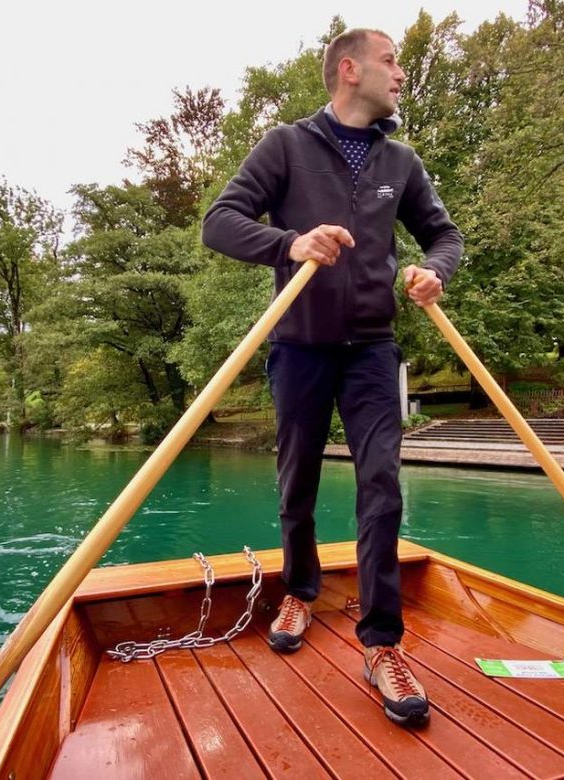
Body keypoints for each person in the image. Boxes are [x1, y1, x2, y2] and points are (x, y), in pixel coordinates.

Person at [201, 27, 462, 727]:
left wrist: (432, 271)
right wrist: (289, 242)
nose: (400, 73)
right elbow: (218, 223)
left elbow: (445, 235)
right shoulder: (284, 146)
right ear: (350, 70)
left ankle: (382, 644)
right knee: (298, 482)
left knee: (381, 486)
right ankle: (300, 591)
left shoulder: (400, 162)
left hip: (374, 349)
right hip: (300, 345)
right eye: (391, 61)